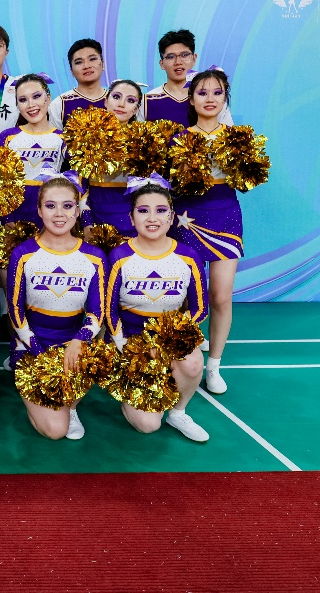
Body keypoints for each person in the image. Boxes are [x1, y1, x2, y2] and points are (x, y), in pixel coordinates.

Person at [108, 181, 209, 443]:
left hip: (170, 337)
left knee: (193, 362)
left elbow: (200, 309)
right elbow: (108, 310)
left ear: (171, 217)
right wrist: (126, 347)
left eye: (161, 210)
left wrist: (166, 342)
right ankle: (131, 386)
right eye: (143, 211)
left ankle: (178, 412)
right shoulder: (119, 256)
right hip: (130, 342)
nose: (152, 218)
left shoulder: (188, 256)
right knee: (147, 425)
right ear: (132, 218)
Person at [6, 177, 104, 441]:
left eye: (67, 206)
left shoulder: (94, 256)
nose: (59, 213)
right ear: (39, 211)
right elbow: (15, 310)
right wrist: (37, 350)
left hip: (72, 345)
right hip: (32, 346)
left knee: (92, 356)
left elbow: (97, 312)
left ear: (77, 210)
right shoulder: (23, 254)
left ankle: (71, 407)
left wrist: (79, 340)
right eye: (51, 206)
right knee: (55, 431)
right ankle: (44, 400)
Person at [167, 69, 243, 396]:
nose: (210, 99)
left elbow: (247, 181)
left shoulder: (237, 137)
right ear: (191, 99)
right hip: (188, 218)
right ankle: (184, 360)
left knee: (220, 296)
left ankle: (213, 365)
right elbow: (171, 184)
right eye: (202, 92)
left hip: (226, 216)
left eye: (217, 92)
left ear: (225, 98)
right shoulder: (179, 139)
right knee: (186, 297)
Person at [0, 74, 67, 226]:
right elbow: (0, 182)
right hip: (15, 220)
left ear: (48, 98)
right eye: (23, 100)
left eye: (36, 96)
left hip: (51, 219)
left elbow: (77, 182)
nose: (31, 104)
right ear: (17, 104)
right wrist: (7, 218)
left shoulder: (63, 139)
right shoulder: (7, 137)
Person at [84, 80, 144, 237]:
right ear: (105, 101)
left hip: (135, 223)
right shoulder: (86, 137)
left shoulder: (144, 141)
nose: (121, 104)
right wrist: (86, 221)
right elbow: (81, 184)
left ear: (136, 109)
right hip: (96, 221)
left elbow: (149, 190)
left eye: (130, 100)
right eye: (116, 97)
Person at [142, 30, 233, 127]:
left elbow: (227, 133)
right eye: (171, 57)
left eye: (184, 55)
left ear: (194, 59)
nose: (178, 62)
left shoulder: (212, 98)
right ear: (162, 64)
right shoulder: (147, 101)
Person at [49, 39, 108, 128]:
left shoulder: (117, 101)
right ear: (72, 71)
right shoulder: (59, 104)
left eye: (92, 59)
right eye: (79, 62)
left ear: (102, 64)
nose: (86, 66)